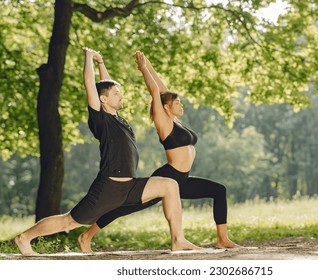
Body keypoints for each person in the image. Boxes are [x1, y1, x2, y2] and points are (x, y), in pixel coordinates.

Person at [14, 47, 199, 256]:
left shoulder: (118, 119)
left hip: (129, 185)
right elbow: (91, 87)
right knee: (70, 221)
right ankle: (24, 238)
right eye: (116, 94)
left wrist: (102, 63)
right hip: (108, 188)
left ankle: (178, 239)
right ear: (103, 100)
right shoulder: (101, 120)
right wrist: (89, 58)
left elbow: (106, 86)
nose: (121, 96)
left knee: (169, 185)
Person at [77, 51, 241, 253]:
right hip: (168, 176)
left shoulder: (175, 120)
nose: (181, 104)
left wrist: (148, 64)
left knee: (219, 190)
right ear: (166, 107)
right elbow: (155, 92)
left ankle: (222, 239)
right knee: (123, 207)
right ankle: (86, 236)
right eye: (177, 102)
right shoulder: (163, 120)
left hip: (183, 178)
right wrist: (143, 69)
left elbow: (163, 89)